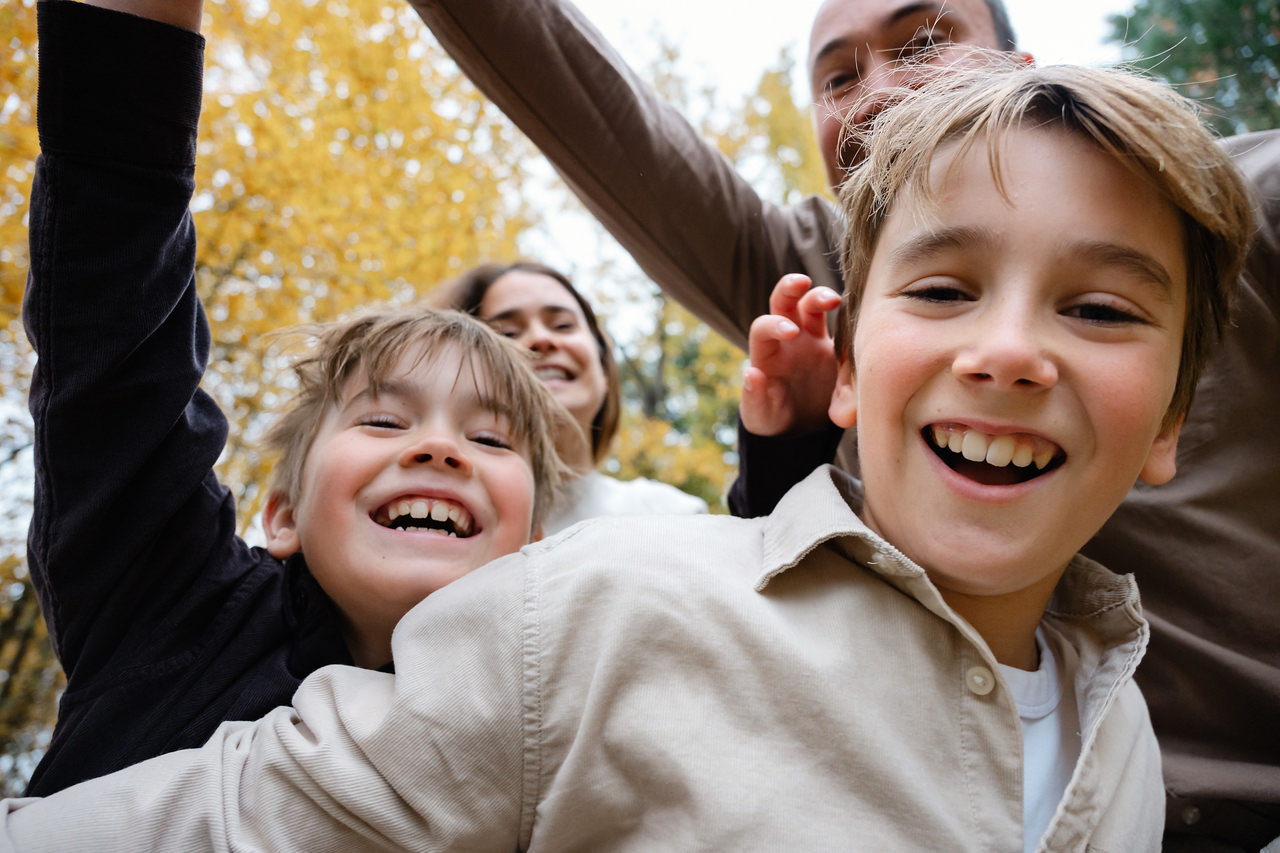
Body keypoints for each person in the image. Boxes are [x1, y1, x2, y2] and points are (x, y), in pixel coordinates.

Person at [0, 55, 1256, 852]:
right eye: (940, 291)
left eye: (1098, 308)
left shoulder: (1123, 743)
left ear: (1166, 428)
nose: (1009, 349)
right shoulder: (583, 615)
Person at [406, 0, 1280, 846]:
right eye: (837, 76)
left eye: (923, 40)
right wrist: (788, 462)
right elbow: (593, 111)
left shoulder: (1208, 212)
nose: (875, 93)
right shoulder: (817, 277)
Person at [19, 0, 573, 798]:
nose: (440, 447)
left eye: (490, 440)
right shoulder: (176, 605)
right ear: (281, 514)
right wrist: (132, 38)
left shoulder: (549, 722)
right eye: (383, 419)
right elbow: (115, 335)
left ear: (538, 550)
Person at [434, 261, 707, 534]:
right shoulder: (441, 524)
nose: (540, 339)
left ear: (604, 370)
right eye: (507, 334)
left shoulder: (673, 518)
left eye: (563, 325)